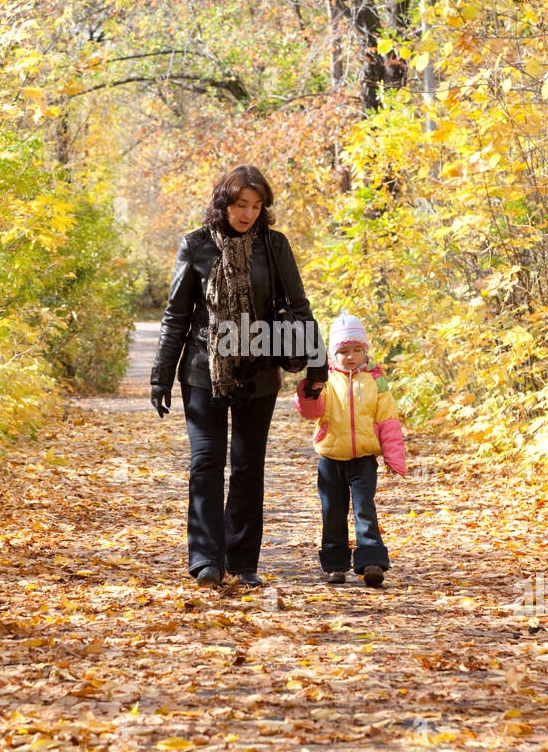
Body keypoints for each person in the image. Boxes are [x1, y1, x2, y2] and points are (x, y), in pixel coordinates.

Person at [150, 164, 328, 589]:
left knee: (248, 466)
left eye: (256, 205)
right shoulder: (195, 245)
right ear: (222, 202)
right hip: (201, 370)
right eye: (239, 204)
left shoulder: (274, 245)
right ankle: (206, 560)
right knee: (205, 463)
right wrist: (160, 376)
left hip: (258, 371)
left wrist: (318, 365)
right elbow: (176, 316)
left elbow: (298, 307)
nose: (247, 213)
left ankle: (244, 560)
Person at [293, 311, 407, 587]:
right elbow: (311, 411)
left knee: (364, 508)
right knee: (332, 511)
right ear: (333, 353)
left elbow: (388, 420)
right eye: (344, 350)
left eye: (358, 350)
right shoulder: (327, 380)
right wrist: (308, 392)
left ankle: (371, 562)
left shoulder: (375, 381)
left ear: (365, 350)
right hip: (331, 459)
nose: (352, 356)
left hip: (364, 459)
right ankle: (335, 564)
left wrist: (394, 457)